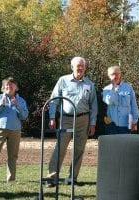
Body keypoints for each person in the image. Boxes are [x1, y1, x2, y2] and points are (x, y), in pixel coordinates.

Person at [46, 56, 98, 187]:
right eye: (77, 66)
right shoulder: (63, 80)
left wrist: (92, 123)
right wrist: (52, 117)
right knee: (60, 148)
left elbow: (94, 105)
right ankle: (52, 178)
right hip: (66, 119)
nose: (80, 68)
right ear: (72, 67)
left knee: (79, 149)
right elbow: (54, 100)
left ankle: (72, 178)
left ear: (85, 68)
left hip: (83, 119)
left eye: (82, 66)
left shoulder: (89, 84)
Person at [0, 77, 29, 183]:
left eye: (12, 85)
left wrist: (17, 106)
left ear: (16, 88)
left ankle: (11, 180)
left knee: (13, 156)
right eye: (7, 85)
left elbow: (24, 116)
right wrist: (1, 105)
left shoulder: (21, 100)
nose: (9, 86)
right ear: (3, 88)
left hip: (15, 130)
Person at [102, 66, 139, 134]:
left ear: (120, 74)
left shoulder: (128, 87)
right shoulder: (106, 89)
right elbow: (108, 101)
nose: (115, 76)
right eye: (112, 74)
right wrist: (113, 88)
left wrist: (134, 121)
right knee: (112, 144)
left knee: (126, 144)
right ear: (108, 75)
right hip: (111, 125)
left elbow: (134, 105)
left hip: (126, 124)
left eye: (117, 73)